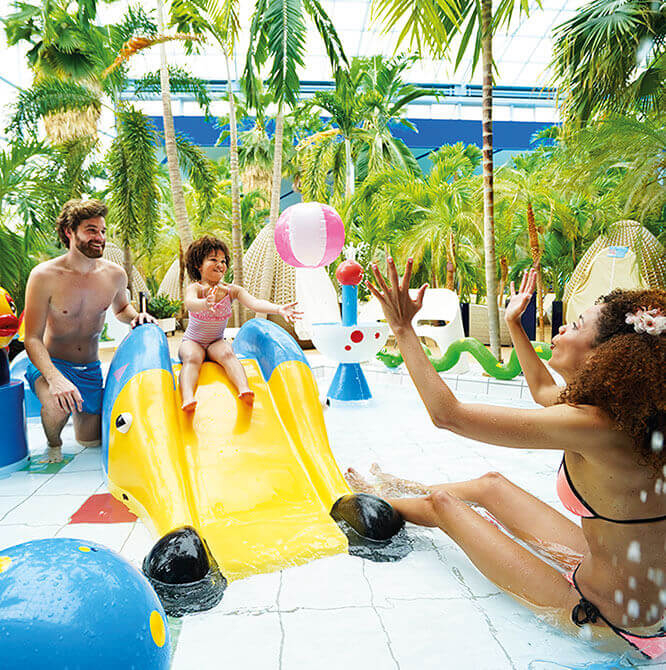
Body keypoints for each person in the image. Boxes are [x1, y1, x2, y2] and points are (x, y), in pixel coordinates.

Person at [349, 259, 666, 658]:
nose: (564, 326)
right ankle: (403, 487)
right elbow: (539, 390)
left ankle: (383, 499)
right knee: (492, 485)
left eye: (579, 323)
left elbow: (449, 415)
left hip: (602, 622)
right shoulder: (629, 418)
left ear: (604, 356)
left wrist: (402, 329)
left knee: (445, 506)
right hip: (629, 595)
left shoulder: (592, 425)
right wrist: (515, 322)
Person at [23, 199, 155, 463]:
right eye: (91, 230)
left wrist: (136, 317)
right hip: (53, 364)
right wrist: (56, 379)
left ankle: (79, 415)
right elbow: (31, 338)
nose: (100, 238)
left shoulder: (115, 275)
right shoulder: (44, 276)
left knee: (92, 442)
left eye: (103, 231)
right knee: (56, 406)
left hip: (90, 370)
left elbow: (121, 310)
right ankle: (54, 444)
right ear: (69, 232)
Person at [178, 235, 302, 412]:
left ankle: (244, 389)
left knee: (228, 353)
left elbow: (255, 303)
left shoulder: (231, 290)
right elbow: (190, 303)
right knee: (192, 357)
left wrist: (279, 309)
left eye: (223, 260)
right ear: (198, 265)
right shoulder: (196, 288)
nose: (220, 264)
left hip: (215, 341)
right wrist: (206, 303)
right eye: (213, 259)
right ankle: (188, 397)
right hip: (193, 341)